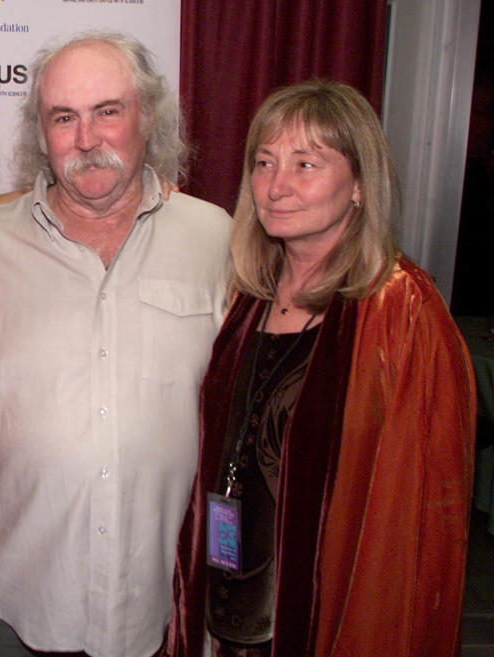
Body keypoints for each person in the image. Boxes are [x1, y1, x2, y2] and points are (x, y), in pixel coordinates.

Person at [167, 80, 476, 657]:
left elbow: (418, 516)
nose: (276, 186)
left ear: (359, 185)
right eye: (264, 162)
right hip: (229, 593)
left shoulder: (402, 311)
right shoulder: (246, 296)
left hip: (328, 613)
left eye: (306, 163)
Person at [0, 32, 232, 657]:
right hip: (12, 606)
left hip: (162, 609)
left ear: (148, 115)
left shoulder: (218, 240)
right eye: (64, 118)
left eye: (108, 111)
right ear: (40, 131)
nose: (86, 139)